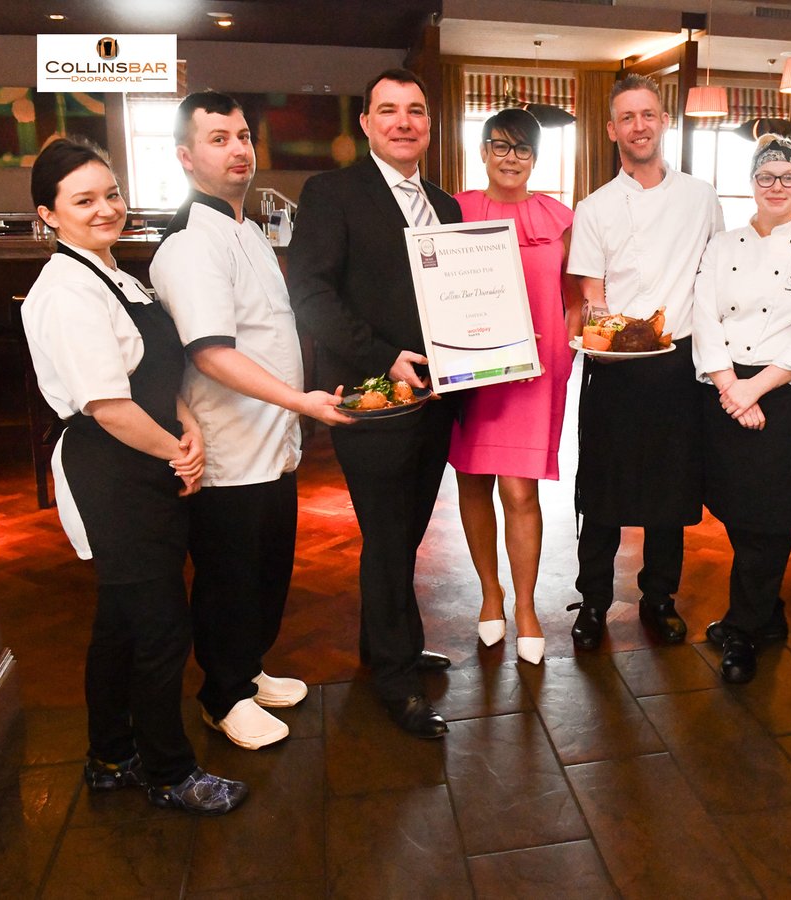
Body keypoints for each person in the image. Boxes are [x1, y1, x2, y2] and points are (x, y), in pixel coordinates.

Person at [22, 138, 246, 814]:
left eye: (110, 194)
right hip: (113, 469)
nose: (105, 209)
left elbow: (152, 374)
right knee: (159, 629)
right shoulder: (63, 291)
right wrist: (179, 452)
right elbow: (110, 407)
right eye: (83, 200)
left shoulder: (116, 273)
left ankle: (110, 755)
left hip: (146, 454)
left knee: (120, 622)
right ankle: (169, 772)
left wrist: (188, 424)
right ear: (48, 215)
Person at [150, 92, 353, 752]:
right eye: (217, 139)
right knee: (229, 579)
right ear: (185, 156)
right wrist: (304, 402)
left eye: (242, 135)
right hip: (230, 448)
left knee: (266, 572)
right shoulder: (189, 245)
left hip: (273, 443)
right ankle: (221, 695)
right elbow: (211, 354)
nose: (237, 149)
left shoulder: (249, 230)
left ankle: (248, 670)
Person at [288, 69, 461, 739]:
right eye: (388, 110)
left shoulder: (445, 207)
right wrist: (384, 358)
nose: (403, 122)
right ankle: (395, 677)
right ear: (365, 123)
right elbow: (310, 294)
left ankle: (388, 643)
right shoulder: (332, 193)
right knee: (388, 536)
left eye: (415, 111)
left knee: (404, 534)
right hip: (375, 396)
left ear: (428, 123)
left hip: (440, 399)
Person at [565, 74, 724, 651]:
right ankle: (593, 600)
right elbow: (591, 292)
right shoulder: (595, 207)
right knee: (603, 491)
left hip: (678, 363)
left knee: (670, 490)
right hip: (613, 364)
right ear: (612, 130)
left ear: (663, 122)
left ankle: (659, 598)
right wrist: (609, 334)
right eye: (627, 117)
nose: (639, 125)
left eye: (648, 114)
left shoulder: (701, 197)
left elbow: (714, 275)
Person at [693, 134, 791, 684]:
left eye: (788, 177)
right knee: (737, 510)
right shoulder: (722, 245)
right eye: (766, 177)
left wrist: (754, 391)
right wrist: (729, 386)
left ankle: (744, 629)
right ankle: (766, 614)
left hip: (788, 395)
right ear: (752, 185)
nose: (776, 187)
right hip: (725, 386)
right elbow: (704, 317)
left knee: (772, 516)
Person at [449, 108, 579, 665]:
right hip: (471, 370)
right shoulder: (452, 209)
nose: (510, 158)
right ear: (481, 152)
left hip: (535, 371)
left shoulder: (560, 217)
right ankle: (490, 594)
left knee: (521, 490)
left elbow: (576, 300)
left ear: (535, 159)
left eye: (522, 149)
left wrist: (562, 352)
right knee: (475, 481)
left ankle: (525, 605)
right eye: (499, 146)